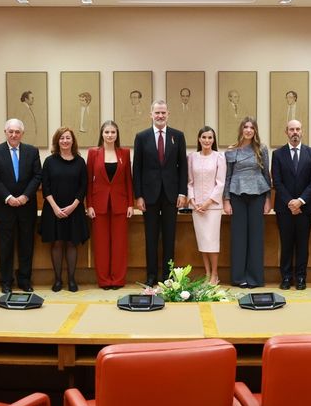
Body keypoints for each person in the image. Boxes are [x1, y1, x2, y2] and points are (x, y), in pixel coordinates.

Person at [133, 100, 187, 286]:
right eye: (157, 112)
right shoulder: (142, 137)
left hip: (171, 195)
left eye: (163, 112)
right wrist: (138, 195)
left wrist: (182, 193)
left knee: (170, 237)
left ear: (168, 114)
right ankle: (151, 276)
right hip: (149, 196)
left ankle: (168, 276)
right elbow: (137, 168)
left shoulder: (177, 136)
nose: (160, 116)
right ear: (151, 115)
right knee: (151, 237)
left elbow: (183, 167)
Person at [0, 118, 41, 293]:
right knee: (6, 247)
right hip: (5, 207)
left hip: (27, 206)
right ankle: (6, 281)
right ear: (5, 132)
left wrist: (25, 196)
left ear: (22, 134)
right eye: (10, 131)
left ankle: (25, 280)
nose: (14, 135)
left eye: (17, 132)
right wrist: (9, 197)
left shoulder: (32, 151)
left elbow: (37, 176)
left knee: (26, 245)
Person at [272, 119, 311, 290]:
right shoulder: (278, 154)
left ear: (302, 131)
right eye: (291, 129)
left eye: (298, 129)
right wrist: (290, 202)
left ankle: (300, 277)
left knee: (302, 244)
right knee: (286, 244)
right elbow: (277, 181)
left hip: (305, 208)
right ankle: (286, 277)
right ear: (286, 132)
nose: (295, 132)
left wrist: (300, 201)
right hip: (284, 208)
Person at [39, 127, 88, 292]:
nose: (65, 141)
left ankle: (72, 280)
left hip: (74, 209)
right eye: (62, 138)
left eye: (68, 138)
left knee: (72, 243)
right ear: (57, 141)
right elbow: (45, 187)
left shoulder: (80, 162)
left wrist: (73, 206)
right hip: (54, 209)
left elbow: (83, 187)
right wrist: (55, 208)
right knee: (57, 243)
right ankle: (58, 280)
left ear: (73, 141)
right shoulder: (49, 161)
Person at [224, 117, 271, 288]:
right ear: (241, 129)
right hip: (237, 195)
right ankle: (239, 278)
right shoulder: (232, 150)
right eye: (246, 127)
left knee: (256, 237)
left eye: (252, 127)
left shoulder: (262, 149)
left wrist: (268, 199)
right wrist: (226, 200)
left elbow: (266, 175)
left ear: (255, 130)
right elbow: (228, 176)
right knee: (239, 237)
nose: (249, 130)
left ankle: (255, 278)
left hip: (258, 195)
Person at [86, 121, 133, 289]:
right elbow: (89, 181)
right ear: (102, 134)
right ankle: (104, 280)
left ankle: (118, 280)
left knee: (120, 244)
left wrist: (130, 204)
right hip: (99, 205)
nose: (110, 135)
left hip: (120, 204)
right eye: (107, 132)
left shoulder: (124, 153)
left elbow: (128, 180)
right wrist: (89, 205)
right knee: (101, 244)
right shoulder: (93, 153)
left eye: (113, 132)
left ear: (117, 134)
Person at [187, 126, 225, 284]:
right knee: (202, 241)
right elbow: (190, 182)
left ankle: (215, 274)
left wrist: (208, 202)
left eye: (210, 137)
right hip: (197, 207)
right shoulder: (192, 157)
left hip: (213, 207)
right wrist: (193, 201)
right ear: (199, 139)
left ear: (213, 140)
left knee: (212, 241)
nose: (207, 140)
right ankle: (207, 273)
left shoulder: (219, 157)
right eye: (204, 137)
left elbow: (220, 183)